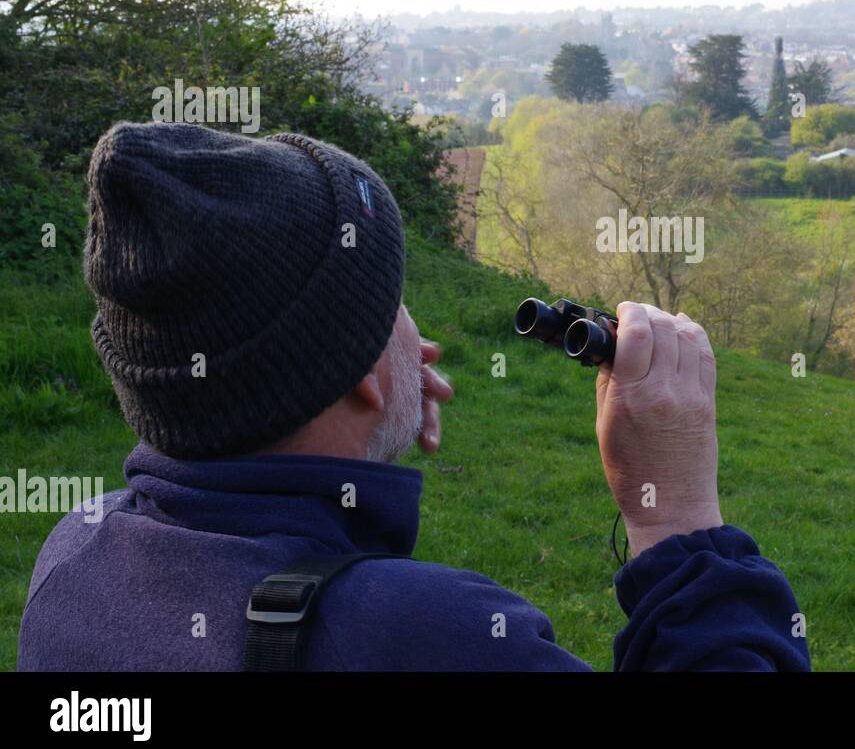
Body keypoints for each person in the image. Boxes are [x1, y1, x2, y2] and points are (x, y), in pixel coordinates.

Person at [18, 122, 809, 671]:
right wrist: (678, 521)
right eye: (391, 305)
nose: (416, 335)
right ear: (363, 374)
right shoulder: (434, 639)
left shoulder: (74, 561)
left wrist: (357, 429)